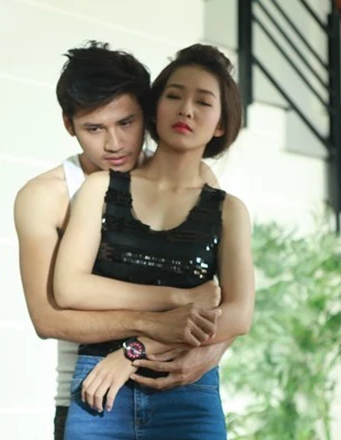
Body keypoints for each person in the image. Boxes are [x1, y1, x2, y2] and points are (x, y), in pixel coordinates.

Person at [13, 41, 234, 440]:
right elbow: (48, 319)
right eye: (94, 129)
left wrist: (209, 351)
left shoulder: (193, 179)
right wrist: (154, 322)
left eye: (126, 123)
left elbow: (219, 300)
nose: (114, 144)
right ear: (69, 125)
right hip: (93, 396)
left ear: (147, 114)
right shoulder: (47, 196)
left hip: (178, 390)